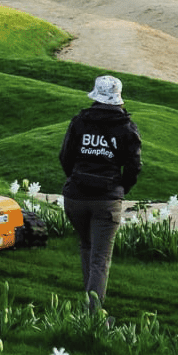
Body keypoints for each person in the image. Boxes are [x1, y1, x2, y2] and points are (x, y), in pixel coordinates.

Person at [59, 74, 142, 312]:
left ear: (96, 96)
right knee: (100, 259)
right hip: (106, 199)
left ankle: (89, 304)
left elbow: (65, 157)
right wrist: (120, 189)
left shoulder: (79, 122)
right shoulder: (126, 128)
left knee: (87, 247)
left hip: (75, 197)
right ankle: (93, 317)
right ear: (118, 99)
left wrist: (75, 180)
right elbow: (134, 166)